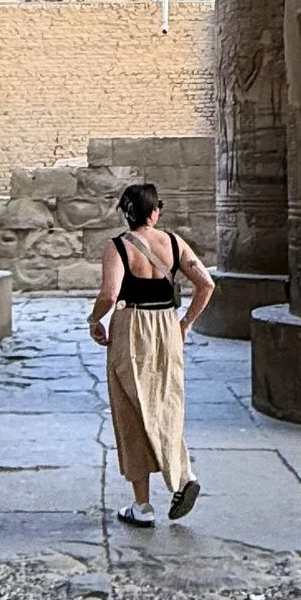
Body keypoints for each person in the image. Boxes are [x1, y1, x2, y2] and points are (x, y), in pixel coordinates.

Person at [90, 179, 212, 525]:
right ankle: (182, 476)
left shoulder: (118, 247)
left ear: (126, 213)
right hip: (167, 327)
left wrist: (94, 320)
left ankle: (141, 506)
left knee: (132, 410)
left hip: (131, 327)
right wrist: (185, 322)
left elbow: (110, 295)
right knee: (167, 403)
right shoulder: (174, 243)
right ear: (154, 212)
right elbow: (206, 284)